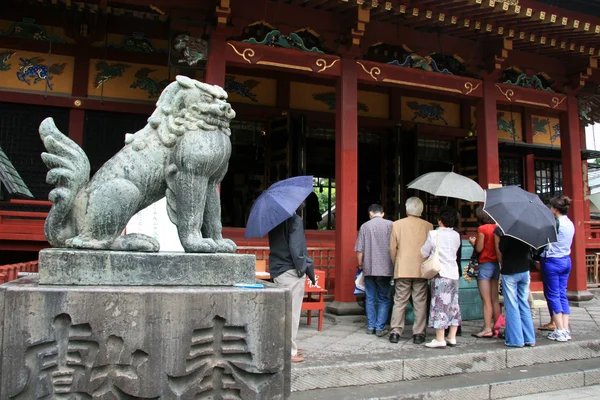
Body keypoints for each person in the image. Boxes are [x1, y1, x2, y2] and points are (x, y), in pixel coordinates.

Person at [268, 205, 315, 363]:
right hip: (291, 271)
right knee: (292, 313)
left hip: (278, 269)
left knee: (282, 312)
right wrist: (304, 267)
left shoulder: (273, 220)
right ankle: (289, 350)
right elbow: (296, 248)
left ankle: (284, 345)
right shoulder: (294, 219)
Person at [388, 197, 433, 345]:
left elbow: (392, 248)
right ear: (421, 210)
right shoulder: (428, 226)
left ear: (406, 209)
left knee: (400, 300)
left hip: (403, 267)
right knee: (420, 301)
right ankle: (418, 333)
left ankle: (395, 331)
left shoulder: (397, 224)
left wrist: (397, 262)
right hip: (420, 268)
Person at [421, 206, 462, 348]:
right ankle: (452, 336)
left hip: (440, 273)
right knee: (453, 305)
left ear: (440, 220)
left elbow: (424, 252)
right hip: (453, 273)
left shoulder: (434, 234)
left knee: (440, 305)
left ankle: (440, 338)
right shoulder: (456, 235)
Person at [355, 204, 394, 337]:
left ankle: (370, 326)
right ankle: (379, 327)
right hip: (385, 268)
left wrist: (360, 264)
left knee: (370, 297)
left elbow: (359, 250)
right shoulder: (391, 225)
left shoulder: (365, 226)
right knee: (384, 298)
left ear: (370, 213)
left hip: (369, 267)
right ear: (382, 214)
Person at [541, 195, 575, 342]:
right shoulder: (570, 223)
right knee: (562, 294)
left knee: (553, 295)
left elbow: (546, 242)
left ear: (555, 209)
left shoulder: (555, 224)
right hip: (566, 259)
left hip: (553, 261)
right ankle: (565, 328)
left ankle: (559, 329)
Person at [494, 227, 536, 348]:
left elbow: (502, 249)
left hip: (510, 270)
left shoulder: (507, 232)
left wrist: (502, 237)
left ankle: (516, 339)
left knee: (512, 305)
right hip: (524, 269)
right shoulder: (527, 231)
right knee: (524, 303)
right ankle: (529, 338)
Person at [468, 207, 503, 338]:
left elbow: (480, 248)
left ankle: (487, 328)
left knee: (486, 299)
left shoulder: (482, 229)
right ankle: (497, 326)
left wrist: (473, 242)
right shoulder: (497, 227)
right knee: (495, 299)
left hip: (485, 265)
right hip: (496, 265)